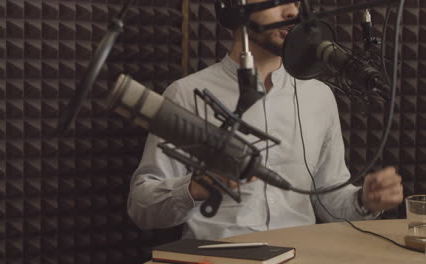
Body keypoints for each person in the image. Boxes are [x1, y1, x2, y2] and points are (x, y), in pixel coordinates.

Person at [127, 1, 403, 240]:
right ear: (236, 7)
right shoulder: (187, 94)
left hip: (301, 254)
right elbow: (142, 207)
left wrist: (364, 201)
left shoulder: (319, 97)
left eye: (296, 3)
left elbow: (329, 201)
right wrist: (192, 188)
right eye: (277, 1)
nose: (291, 12)